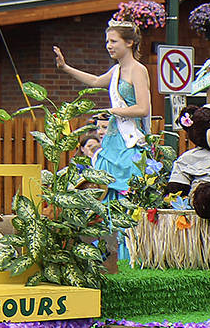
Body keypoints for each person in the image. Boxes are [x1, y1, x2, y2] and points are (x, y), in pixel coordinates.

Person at [53, 20, 152, 197]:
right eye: (107, 41)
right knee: (108, 188)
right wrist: (65, 68)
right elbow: (96, 81)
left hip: (130, 139)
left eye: (113, 41)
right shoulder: (116, 70)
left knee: (129, 188)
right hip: (114, 139)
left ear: (129, 42)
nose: (108, 46)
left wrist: (114, 111)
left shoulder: (138, 70)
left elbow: (143, 108)